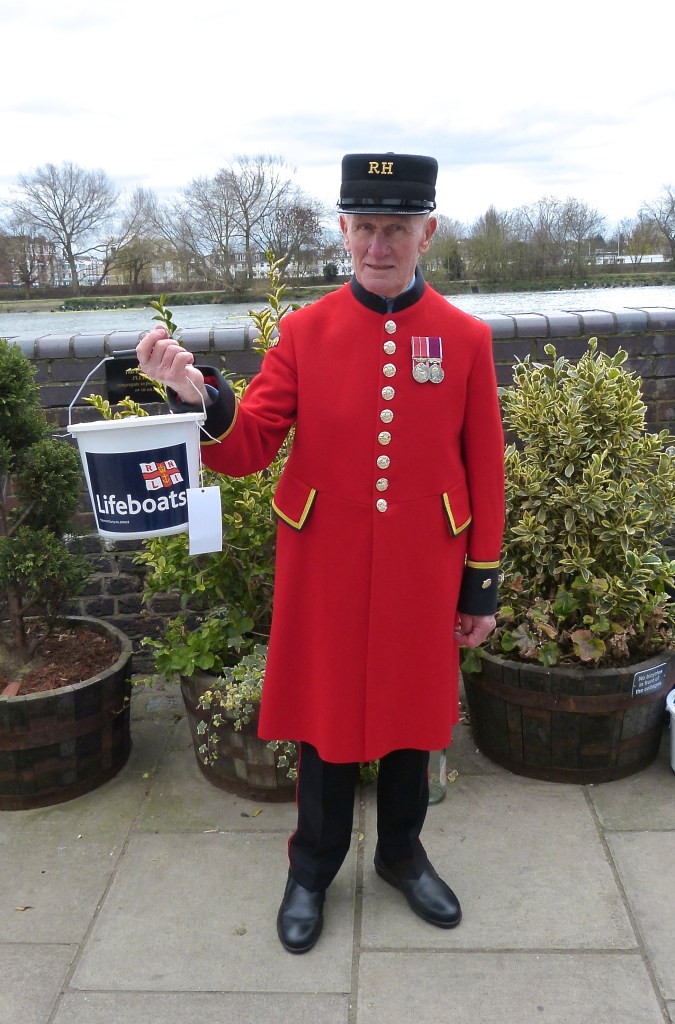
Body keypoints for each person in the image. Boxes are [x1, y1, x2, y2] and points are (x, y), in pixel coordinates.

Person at [136, 152, 505, 955]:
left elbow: (485, 464)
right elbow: (248, 447)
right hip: (326, 563)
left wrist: (480, 584)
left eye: (396, 228)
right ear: (343, 230)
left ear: (426, 232)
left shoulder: (465, 337)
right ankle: (312, 868)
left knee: (413, 714)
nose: (380, 244)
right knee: (326, 716)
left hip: (423, 564)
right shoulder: (305, 331)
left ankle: (402, 856)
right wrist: (195, 396)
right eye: (365, 227)